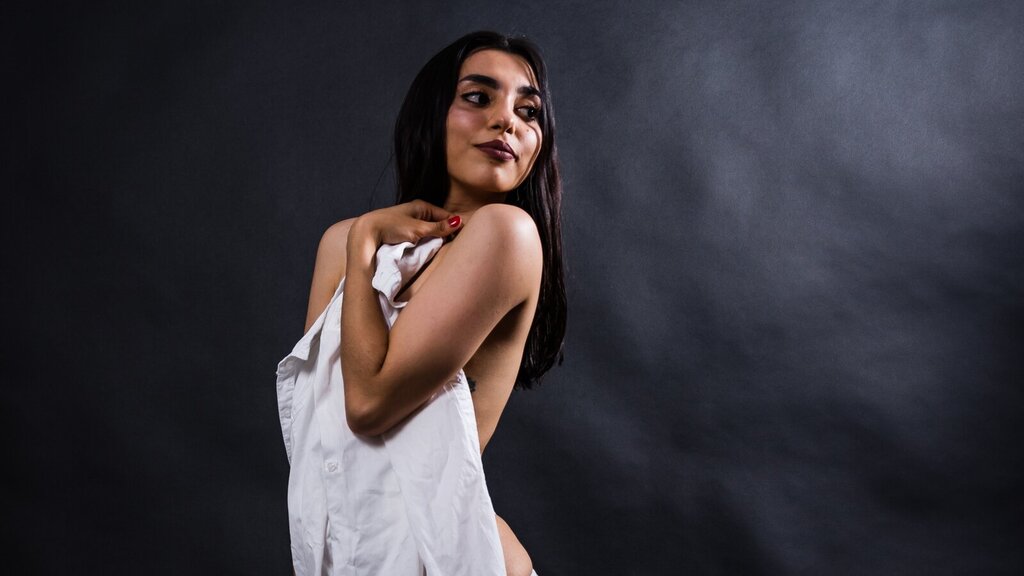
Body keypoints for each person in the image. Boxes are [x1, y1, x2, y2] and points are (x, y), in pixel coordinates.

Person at [277, 31, 565, 576]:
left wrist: (366, 241)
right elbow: (322, 436)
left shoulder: (507, 233)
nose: (507, 121)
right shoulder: (341, 242)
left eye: (529, 112)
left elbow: (366, 407)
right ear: (431, 114)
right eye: (478, 97)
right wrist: (362, 240)